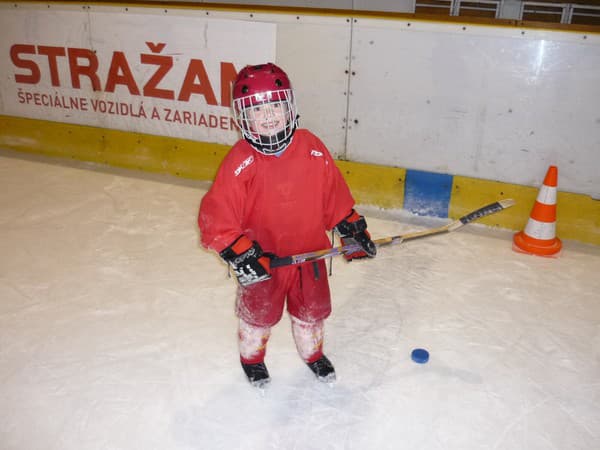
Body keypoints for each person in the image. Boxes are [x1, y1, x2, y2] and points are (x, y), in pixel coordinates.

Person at [198, 63, 376, 388]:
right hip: (265, 261)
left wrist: (351, 229)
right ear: (243, 117)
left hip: (311, 256)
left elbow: (332, 195)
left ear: (289, 106)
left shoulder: (311, 147)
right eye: (257, 109)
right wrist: (239, 253)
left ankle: (312, 355)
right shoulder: (242, 160)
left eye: (275, 105)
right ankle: (252, 358)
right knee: (258, 317)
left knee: (312, 313)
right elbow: (217, 214)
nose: (268, 116)